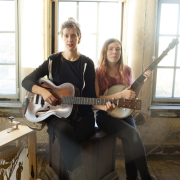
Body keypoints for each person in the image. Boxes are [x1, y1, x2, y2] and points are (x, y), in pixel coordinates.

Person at [22, 18, 113, 180]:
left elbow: (92, 98)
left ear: (79, 37)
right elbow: (26, 81)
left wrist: (104, 106)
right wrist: (43, 92)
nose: (69, 39)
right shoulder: (53, 61)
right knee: (64, 130)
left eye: (73, 35)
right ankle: (79, 175)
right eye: (66, 36)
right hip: (55, 115)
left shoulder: (87, 64)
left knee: (68, 136)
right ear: (62, 37)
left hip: (81, 116)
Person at [95, 38, 154, 180]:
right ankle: (146, 177)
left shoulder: (127, 70)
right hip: (105, 115)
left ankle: (131, 177)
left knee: (130, 143)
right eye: (111, 48)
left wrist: (142, 82)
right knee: (133, 134)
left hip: (124, 113)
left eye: (118, 49)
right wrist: (120, 95)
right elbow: (96, 99)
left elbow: (132, 96)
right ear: (105, 51)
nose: (114, 52)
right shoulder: (97, 72)